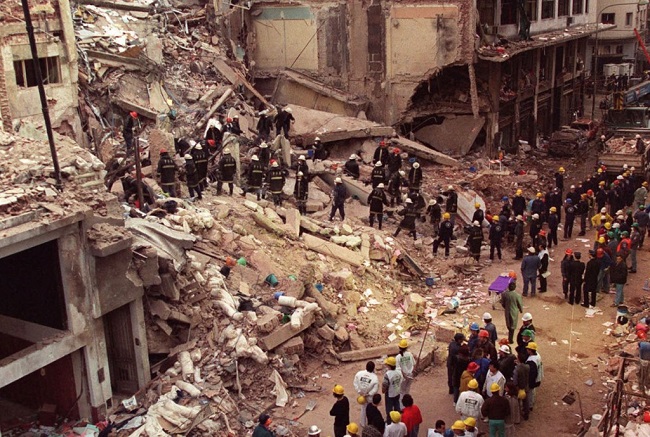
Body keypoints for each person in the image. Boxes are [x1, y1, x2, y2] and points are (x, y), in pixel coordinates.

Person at [354, 361, 379, 427]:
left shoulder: (359, 374)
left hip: (362, 396)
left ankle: (363, 423)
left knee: (363, 408)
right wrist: (369, 394)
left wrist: (359, 391)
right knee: (371, 409)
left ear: (366, 367)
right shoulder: (375, 377)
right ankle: (371, 424)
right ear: (373, 368)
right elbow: (375, 389)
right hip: (370, 397)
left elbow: (355, 383)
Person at [382, 357, 402, 422]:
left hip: (390, 394)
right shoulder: (399, 372)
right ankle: (397, 419)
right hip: (397, 392)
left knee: (389, 409)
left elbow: (385, 385)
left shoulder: (388, 374)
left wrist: (383, 391)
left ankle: (389, 421)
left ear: (389, 366)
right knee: (397, 405)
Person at [525, 343, 542, 411]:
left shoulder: (531, 361)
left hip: (533, 379)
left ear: (530, 350)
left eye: (528, 349)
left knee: (530, 393)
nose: (527, 350)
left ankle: (530, 406)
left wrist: (530, 383)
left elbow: (532, 374)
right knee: (532, 392)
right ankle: (531, 403)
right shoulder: (537, 355)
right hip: (538, 377)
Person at [513, 353, 530, 420]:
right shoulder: (527, 366)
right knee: (526, 401)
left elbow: (515, 380)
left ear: (519, 359)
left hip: (519, 388)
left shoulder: (517, 369)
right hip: (526, 386)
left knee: (517, 401)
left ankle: (518, 415)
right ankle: (526, 414)